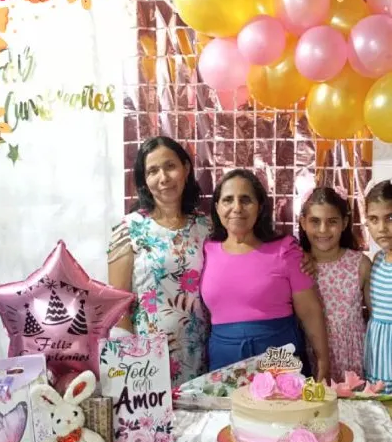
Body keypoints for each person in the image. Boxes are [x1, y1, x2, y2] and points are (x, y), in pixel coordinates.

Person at [200, 169, 329, 380]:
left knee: (280, 409)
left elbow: (310, 311)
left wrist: (323, 362)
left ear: (260, 207)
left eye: (246, 200)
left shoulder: (286, 250)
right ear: (216, 207)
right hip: (223, 361)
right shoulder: (205, 250)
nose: (237, 208)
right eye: (228, 200)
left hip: (279, 355)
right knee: (228, 413)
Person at [107, 136, 210, 386]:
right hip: (148, 359)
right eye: (153, 171)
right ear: (144, 180)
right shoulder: (129, 229)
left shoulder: (207, 227)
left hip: (202, 352)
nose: (163, 178)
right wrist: (132, 359)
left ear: (185, 169)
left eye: (170, 166)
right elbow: (118, 304)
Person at [299, 186, 371, 383]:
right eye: (315, 221)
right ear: (303, 222)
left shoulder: (361, 264)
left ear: (344, 223)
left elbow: (376, 317)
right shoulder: (298, 265)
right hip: (311, 353)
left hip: (354, 358)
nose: (323, 230)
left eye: (332, 222)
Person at [363, 179, 392, 393]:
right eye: (374, 219)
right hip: (377, 362)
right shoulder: (377, 261)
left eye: (390, 218)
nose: (382, 228)